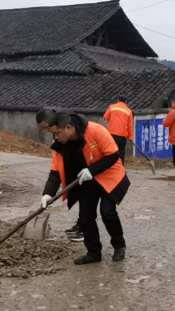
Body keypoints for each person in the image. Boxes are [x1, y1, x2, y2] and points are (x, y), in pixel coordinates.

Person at [41, 112, 130, 265]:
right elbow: (55, 172)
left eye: (57, 133)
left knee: (107, 212)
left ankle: (119, 245)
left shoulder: (96, 130)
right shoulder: (60, 145)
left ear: (68, 127)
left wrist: (92, 170)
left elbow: (113, 155)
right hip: (86, 181)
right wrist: (47, 194)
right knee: (85, 216)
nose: (55, 137)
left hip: (108, 176)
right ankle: (93, 252)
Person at [35, 108, 84, 242]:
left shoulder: (80, 135)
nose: (49, 133)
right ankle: (82, 225)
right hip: (79, 174)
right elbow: (55, 171)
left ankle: (83, 228)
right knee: (81, 197)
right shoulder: (58, 142)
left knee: (89, 201)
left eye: (49, 129)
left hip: (94, 174)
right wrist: (47, 193)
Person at [103, 95, 134, 164]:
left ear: (118, 100)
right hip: (122, 135)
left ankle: (110, 166)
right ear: (125, 102)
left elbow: (105, 117)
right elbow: (130, 125)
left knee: (111, 151)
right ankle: (121, 167)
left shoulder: (112, 107)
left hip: (112, 134)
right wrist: (131, 137)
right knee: (121, 152)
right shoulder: (128, 111)